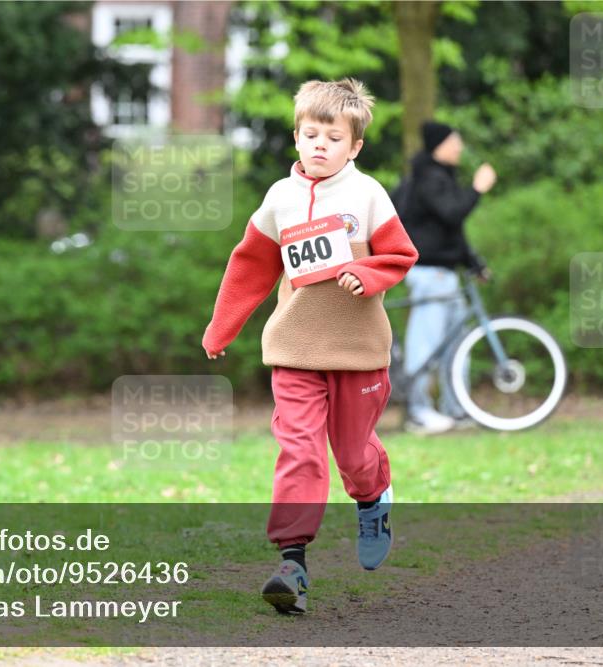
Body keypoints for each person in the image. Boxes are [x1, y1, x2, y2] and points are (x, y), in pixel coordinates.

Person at [201, 79, 418, 615]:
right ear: (296, 138)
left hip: (359, 352)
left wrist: (365, 272)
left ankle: (373, 498)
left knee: (352, 453)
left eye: (333, 137)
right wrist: (221, 328)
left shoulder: (367, 195)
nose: (320, 144)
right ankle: (291, 563)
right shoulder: (280, 197)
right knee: (299, 452)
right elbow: (250, 264)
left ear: (355, 146)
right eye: (310, 134)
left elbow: (400, 255)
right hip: (295, 352)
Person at [397, 121, 496, 435]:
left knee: (458, 345)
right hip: (429, 274)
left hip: (446, 274)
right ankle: (419, 412)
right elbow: (453, 213)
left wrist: (474, 264)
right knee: (425, 344)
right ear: (440, 145)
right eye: (455, 141)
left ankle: (458, 409)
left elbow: (451, 231)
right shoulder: (428, 179)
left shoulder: (441, 178)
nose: (460, 147)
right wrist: (478, 188)